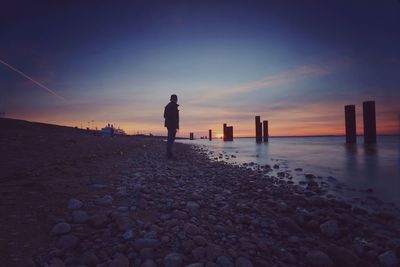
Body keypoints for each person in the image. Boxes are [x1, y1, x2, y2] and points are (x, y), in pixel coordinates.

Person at [164, 94, 179, 158]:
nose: (177, 100)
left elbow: (164, 116)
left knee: (170, 138)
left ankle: (169, 153)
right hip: (172, 125)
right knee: (171, 139)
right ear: (175, 99)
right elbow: (175, 117)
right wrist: (175, 126)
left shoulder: (168, 106)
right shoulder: (173, 106)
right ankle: (169, 154)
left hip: (169, 125)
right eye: (176, 99)